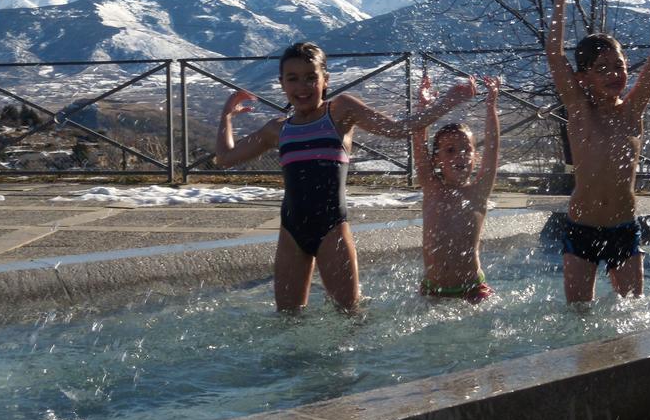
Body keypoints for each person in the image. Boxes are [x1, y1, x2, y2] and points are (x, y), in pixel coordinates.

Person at [214, 41, 476, 313]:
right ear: (282, 83)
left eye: (310, 78)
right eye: (293, 79)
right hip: (291, 233)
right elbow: (225, 157)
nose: (302, 87)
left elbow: (398, 129)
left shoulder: (340, 111)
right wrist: (226, 116)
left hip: (332, 232)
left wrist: (450, 101)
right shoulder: (277, 129)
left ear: (325, 79)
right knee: (287, 318)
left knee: (350, 316)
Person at [545, 0, 650, 303]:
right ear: (583, 77)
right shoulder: (579, 111)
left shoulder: (632, 110)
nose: (615, 74)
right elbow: (554, 55)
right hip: (581, 228)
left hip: (623, 229)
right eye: (603, 69)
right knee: (577, 317)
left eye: (619, 66)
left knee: (632, 313)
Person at [412, 72, 500, 304]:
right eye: (450, 150)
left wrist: (491, 105)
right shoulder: (432, 188)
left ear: (475, 156)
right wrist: (423, 107)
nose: (460, 154)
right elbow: (418, 141)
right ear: (436, 160)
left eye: (466, 149)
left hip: (473, 289)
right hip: (433, 288)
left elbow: (492, 146)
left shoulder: (478, 191)